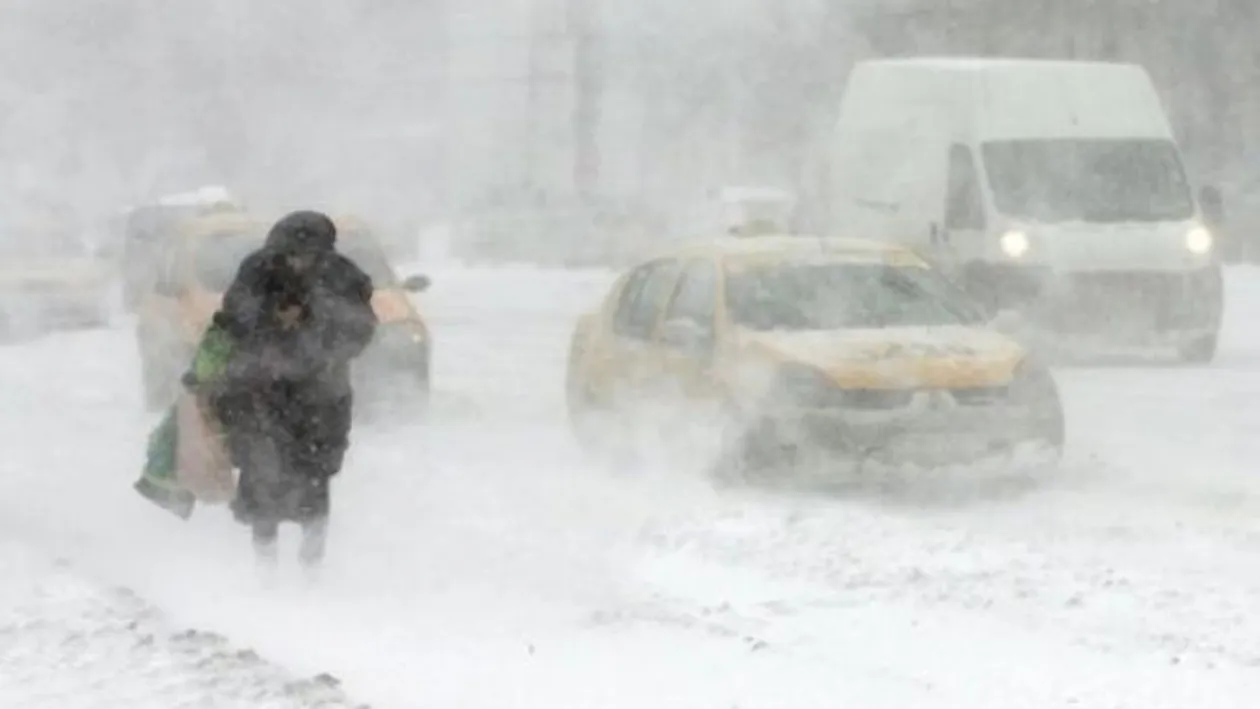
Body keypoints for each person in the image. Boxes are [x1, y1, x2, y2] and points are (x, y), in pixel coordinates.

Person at [186, 210, 378, 569]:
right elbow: (232, 321)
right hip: (259, 393)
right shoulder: (257, 271)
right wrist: (267, 330)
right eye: (290, 255)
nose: (298, 262)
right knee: (262, 476)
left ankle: (311, 565)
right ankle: (266, 566)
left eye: (307, 256)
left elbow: (361, 328)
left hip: (321, 398)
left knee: (315, 479)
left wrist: (319, 345)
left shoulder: (343, 277)